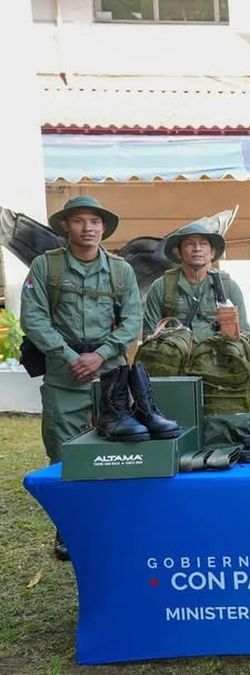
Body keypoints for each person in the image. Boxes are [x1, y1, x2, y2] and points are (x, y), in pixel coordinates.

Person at [20, 195, 141, 561]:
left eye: (95, 221)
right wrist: (71, 356)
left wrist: (101, 354)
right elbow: (34, 318)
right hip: (64, 372)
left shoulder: (121, 271)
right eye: (79, 221)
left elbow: (133, 321)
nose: (88, 228)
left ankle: (112, 522)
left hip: (109, 373)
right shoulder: (47, 266)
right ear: (65, 226)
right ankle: (68, 530)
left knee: (117, 449)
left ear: (104, 228)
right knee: (63, 452)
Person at [143, 220, 250, 341]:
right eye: (190, 244)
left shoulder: (227, 287)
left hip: (216, 357)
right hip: (175, 357)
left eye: (204, 244)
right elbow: (149, 334)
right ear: (177, 252)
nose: (197, 249)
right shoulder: (161, 287)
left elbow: (242, 333)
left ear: (212, 253)